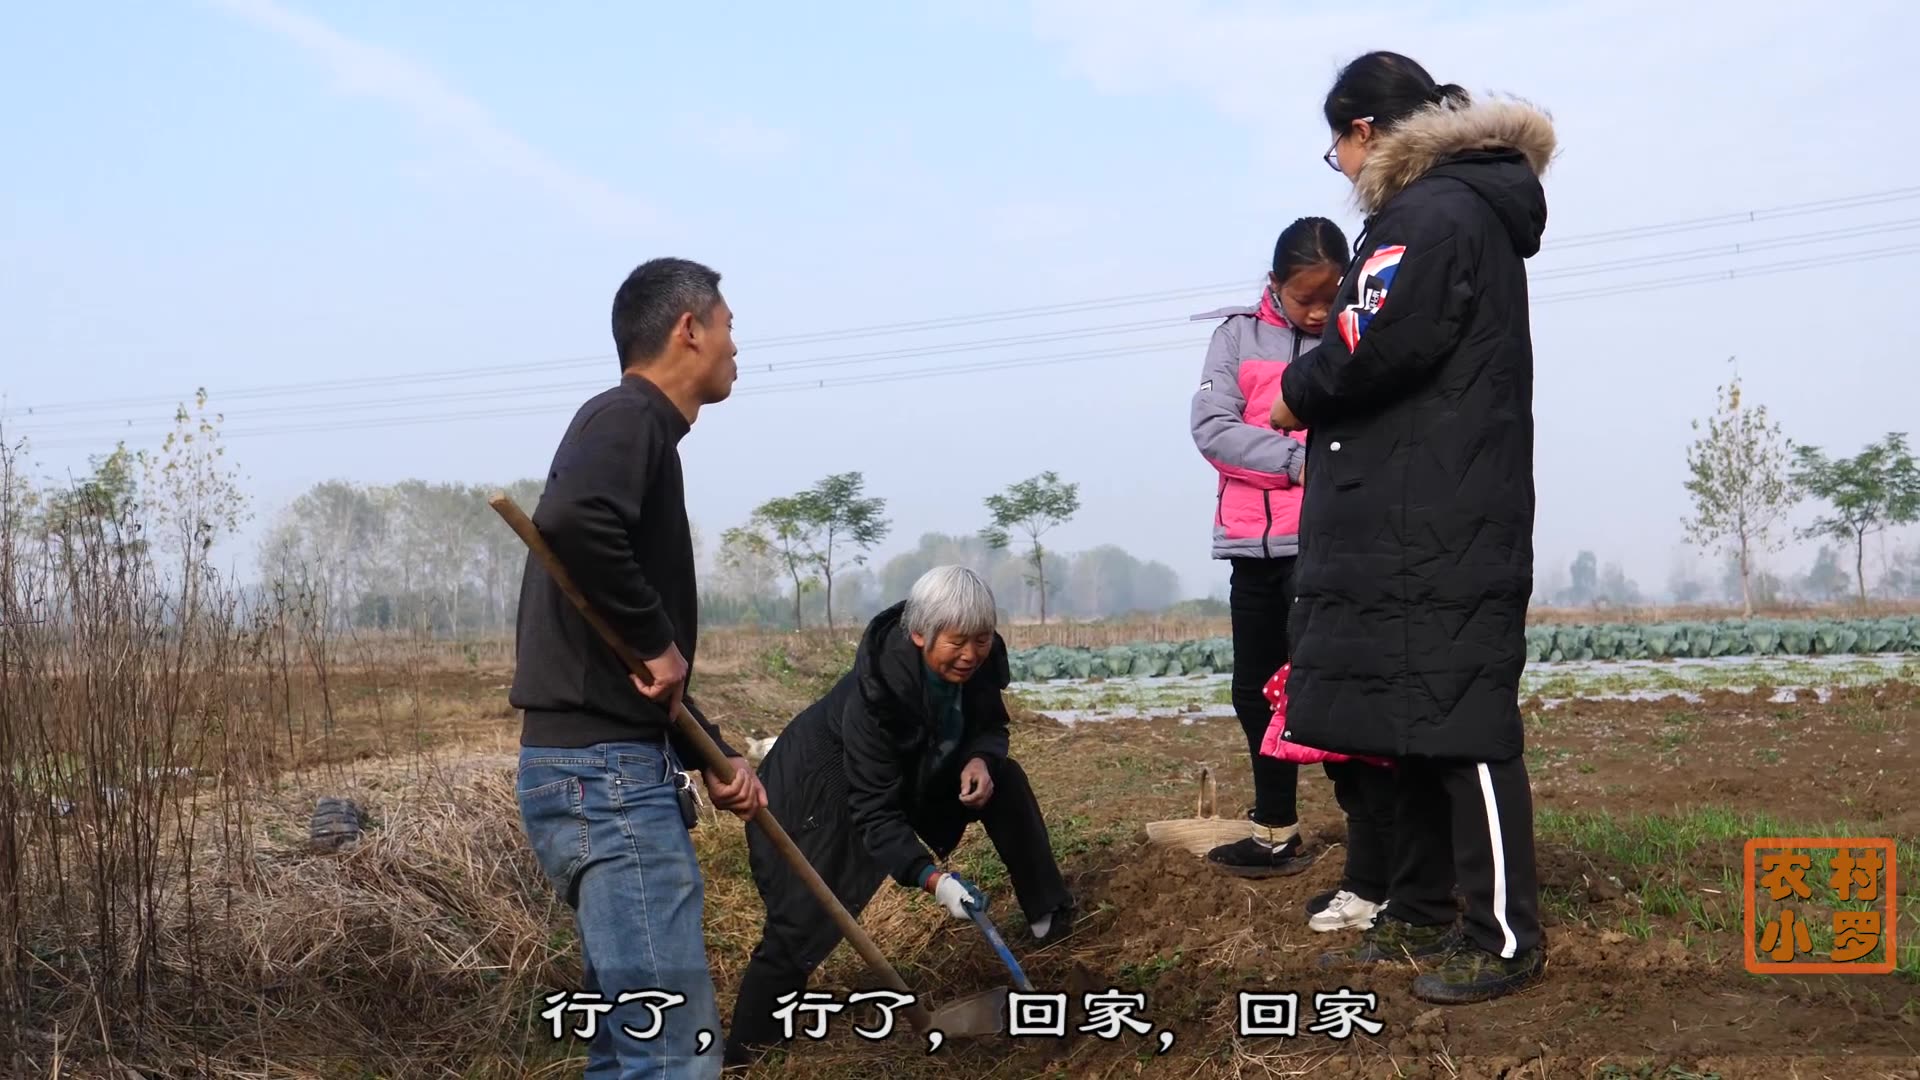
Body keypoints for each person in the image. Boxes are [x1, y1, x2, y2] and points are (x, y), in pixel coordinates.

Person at [1268, 51, 1555, 1004]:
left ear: (1362, 133)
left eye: (1336, 148)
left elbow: (1371, 342)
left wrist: (1297, 394)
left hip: (1438, 512)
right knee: (1415, 718)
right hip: (1419, 504)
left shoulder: (1427, 215)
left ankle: (1503, 935)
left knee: (1464, 723)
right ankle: (1423, 908)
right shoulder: (1456, 209)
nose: (1341, 171)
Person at [510, 256, 768, 1078]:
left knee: (629, 1053)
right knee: (672, 1057)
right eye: (728, 324)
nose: (737, 345)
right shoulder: (626, 419)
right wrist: (661, 638)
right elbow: (575, 520)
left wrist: (712, 755)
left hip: (605, 767)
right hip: (608, 782)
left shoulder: (640, 434)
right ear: (688, 329)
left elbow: (644, 677)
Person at [724, 566, 1075, 1066]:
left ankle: (1047, 916)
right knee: (805, 919)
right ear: (919, 634)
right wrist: (934, 880)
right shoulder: (876, 696)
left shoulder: (976, 668)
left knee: (1006, 780)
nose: (971, 654)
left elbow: (992, 725)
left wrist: (979, 759)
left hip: (915, 770)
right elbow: (874, 812)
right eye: (958, 642)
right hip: (819, 792)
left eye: (981, 639)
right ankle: (747, 1055)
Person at [1187, 216, 1349, 880]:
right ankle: (1275, 831)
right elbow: (1212, 427)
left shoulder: (1349, 334)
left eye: (1329, 295)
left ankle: (1374, 835)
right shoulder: (1236, 336)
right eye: (1304, 296)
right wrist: (1295, 460)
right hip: (1253, 550)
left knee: (1333, 687)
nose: (1316, 310)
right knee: (1256, 692)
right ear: (1274, 283)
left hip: (1325, 543)